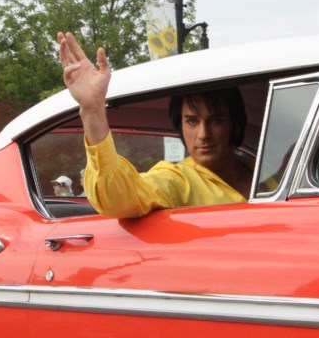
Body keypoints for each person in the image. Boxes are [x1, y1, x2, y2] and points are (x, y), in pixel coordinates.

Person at [58, 31, 252, 218]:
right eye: (192, 121)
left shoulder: (262, 170)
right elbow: (119, 199)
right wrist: (93, 110)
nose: (203, 133)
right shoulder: (178, 180)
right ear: (181, 125)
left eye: (216, 121)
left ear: (234, 124)